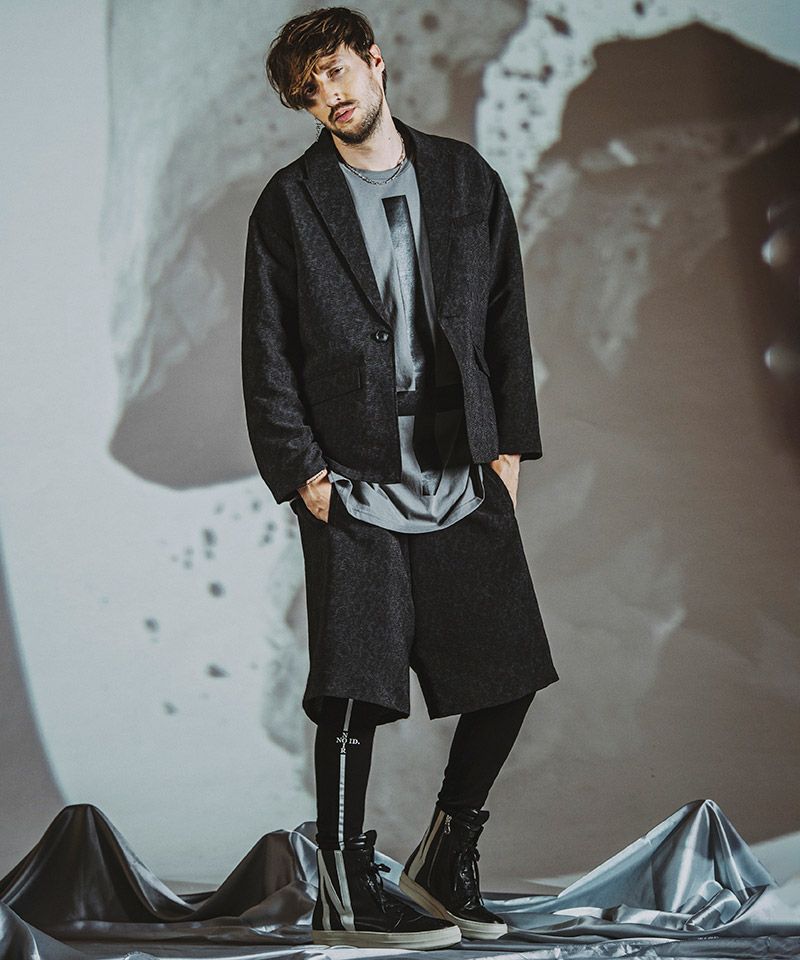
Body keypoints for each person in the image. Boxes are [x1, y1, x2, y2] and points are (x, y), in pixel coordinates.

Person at [241, 5, 560, 949]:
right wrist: (304, 473)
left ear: (375, 63)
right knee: (356, 687)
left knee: (507, 672)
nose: (329, 97)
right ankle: (344, 883)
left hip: (462, 463)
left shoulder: (464, 178)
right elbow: (267, 352)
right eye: (309, 92)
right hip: (353, 474)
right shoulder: (290, 204)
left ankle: (447, 853)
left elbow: (506, 316)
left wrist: (510, 448)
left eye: (337, 72)